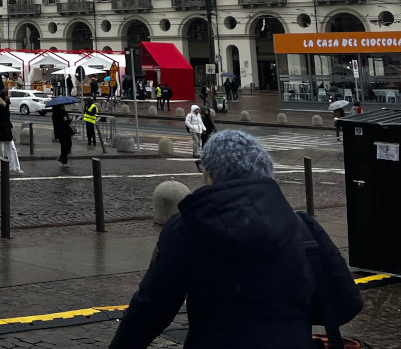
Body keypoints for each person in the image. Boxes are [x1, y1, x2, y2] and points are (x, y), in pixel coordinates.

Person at [108, 130, 361, 348]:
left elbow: (151, 308)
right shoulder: (304, 227)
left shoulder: (187, 228)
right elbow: (347, 303)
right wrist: (288, 317)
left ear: (210, 173)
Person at [0, 89, 23, 174]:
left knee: (9, 148)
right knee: (1, 150)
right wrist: (5, 126)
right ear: (5, 95)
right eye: (9, 94)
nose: (10, 95)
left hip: (5, 129)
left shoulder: (5, 104)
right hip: (2, 130)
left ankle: (14, 167)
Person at [51, 100, 74, 166]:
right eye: (62, 106)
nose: (63, 107)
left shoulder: (64, 113)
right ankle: (64, 161)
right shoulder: (55, 115)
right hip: (61, 132)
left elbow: (68, 121)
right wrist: (63, 120)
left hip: (67, 131)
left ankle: (62, 157)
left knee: (69, 144)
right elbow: (57, 123)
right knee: (64, 146)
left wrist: (69, 119)